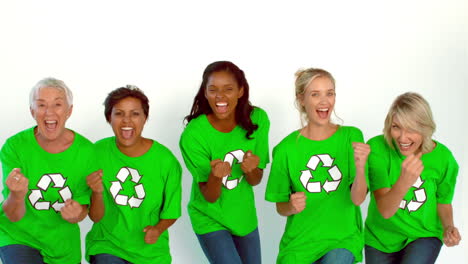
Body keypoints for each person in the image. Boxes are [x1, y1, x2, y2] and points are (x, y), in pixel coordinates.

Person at [265, 68, 369, 264]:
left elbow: (357, 199)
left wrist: (361, 168)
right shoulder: (285, 149)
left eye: (329, 93)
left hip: (341, 240)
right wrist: (291, 206)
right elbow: (280, 207)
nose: (324, 101)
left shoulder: (351, 137)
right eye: (315, 94)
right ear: (301, 99)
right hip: (298, 246)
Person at [179, 61, 270, 264]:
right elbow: (210, 196)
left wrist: (251, 169)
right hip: (210, 216)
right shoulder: (194, 135)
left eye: (228, 89)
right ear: (205, 92)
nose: (220, 96)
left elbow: (255, 180)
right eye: (213, 90)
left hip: (243, 214)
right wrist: (215, 176)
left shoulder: (258, 119)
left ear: (240, 91)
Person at [0, 77, 94, 264]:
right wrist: (17, 195)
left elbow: (84, 208)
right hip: (19, 238)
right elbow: (12, 215)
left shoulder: (87, 152)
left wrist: (78, 213)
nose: (49, 112)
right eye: (41, 105)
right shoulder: (15, 147)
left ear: (69, 111)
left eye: (57, 104)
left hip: (63, 246)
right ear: (32, 111)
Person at [85, 85, 182, 264]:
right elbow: (95, 217)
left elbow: (172, 211)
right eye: (119, 113)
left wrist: (158, 229)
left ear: (145, 118)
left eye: (135, 114)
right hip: (107, 245)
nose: (126, 121)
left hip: (151, 253)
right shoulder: (96, 153)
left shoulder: (165, 161)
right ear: (109, 118)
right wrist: (97, 192)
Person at [364, 92, 461, 264]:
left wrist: (448, 227)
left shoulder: (443, 158)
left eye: (411, 129)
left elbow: (444, 202)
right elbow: (386, 210)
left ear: (425, 128)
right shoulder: (377, 149)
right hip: (380, 237)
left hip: (423, 234)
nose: (402, 137)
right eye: (396, 127)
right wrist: (404, 181)